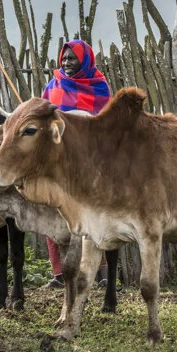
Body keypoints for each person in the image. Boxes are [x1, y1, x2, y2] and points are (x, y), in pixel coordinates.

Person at [40, 39, 112, 287]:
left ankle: (102, 275)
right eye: (64, 58)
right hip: (58, 162)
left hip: (89, 163)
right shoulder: (53, 86)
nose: (66, 62)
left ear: (85, 60)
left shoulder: (99, 87)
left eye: (72, 58)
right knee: (54, 212)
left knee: (91, 215)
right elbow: (44, 121)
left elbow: (105, 126)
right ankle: (59, 275)